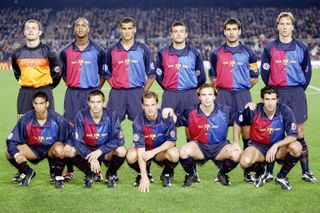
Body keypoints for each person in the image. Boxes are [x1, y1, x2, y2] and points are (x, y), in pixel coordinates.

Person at [260, 12, 315, 182]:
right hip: (277, 94)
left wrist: (298, 89)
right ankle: (268, 172)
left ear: (292, 26)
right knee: (274, 133)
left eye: (287, 24)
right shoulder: (269, 48)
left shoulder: (302, 47)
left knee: (299, 133)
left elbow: (307, 72)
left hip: (296, 94)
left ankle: (306, 171)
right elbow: (264, 72)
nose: (284, 27)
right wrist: (274, 91)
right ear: (277, 26)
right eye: (281, 24)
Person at [209, 18, 259, 183]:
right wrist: (220, 88)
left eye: (234, 29)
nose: (231, 32)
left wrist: (242, 88)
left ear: (239, 31)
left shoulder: (249, 52)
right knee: (221, 131)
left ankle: (247, 169)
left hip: (242, 95)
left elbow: (254, 76)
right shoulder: (216, 52)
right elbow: (212, 76)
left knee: (246, 132)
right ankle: (222, 169)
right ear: (224, 31)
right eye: (228, 29)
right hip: (223, 94)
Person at [155, 21, 206, 181]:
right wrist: (168, 86)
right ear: (171, 34)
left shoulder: (194, 52)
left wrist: (189, 88)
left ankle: (192, 170)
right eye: (175, 31)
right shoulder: (163, 52)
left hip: (190, 95)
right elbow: (158, 74)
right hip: (170, 95)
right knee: (170, 132)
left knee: (191, 131)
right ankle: (170, 169)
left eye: (181, 31)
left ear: (186, 34)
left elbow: (201, 76)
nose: (178, 34)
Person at [60, 17, 107, 181]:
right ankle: (70, 169)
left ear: (89, 29)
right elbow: (64, 74)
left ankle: (96, 168)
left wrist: (94, 91)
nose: (80, 28)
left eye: (83, 25)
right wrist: (74, 85)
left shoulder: (99, 50)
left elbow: (103, 74)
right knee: (70, 128)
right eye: (77, 26)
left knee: (92, 131)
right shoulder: (65, 51)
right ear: (74, 29)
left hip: (90, 95)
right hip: (72, 94)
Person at [165, 83, 240, 187]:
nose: (207, 98)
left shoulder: (225, 110)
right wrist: (171, 111)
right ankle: (191, 174)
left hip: (220, 146)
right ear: (199, 97)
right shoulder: (191, 111)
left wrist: (236, 143)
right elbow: (177, 120)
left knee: (236, 154)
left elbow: (238, 121)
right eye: (204, 95)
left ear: (214, 96)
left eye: (210, 94)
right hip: (199, 146)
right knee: (183, 152)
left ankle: (222, 174)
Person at [238, 86, 302, 190]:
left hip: (278, 148)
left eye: (273, 99)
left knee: (297, 147)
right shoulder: (254, 110)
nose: (270, 103)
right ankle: (262, 172)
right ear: (262, 100)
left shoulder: (285, 110)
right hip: (258, 147)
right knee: (244, 162)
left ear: (277, 99)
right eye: (267, 99)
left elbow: (293, 135)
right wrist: (236, 142)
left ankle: (281, 176)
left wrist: (276, 145)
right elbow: (238, 121)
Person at [6, 92, 72, 189]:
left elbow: (71, 135)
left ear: (47, 104)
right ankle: (28, 172)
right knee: (9, 152)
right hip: (33, 150)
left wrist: (68, 146)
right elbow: (11, 140)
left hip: (51, 150)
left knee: (61, 149)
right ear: (33, 104)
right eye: (36, 103)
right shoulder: (26, 119)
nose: (38, 107)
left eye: (41, 103)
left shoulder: (58, 119)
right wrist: (17, 154)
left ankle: (57, 175)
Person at [104, 17, 156, 122]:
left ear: (134, 29)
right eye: (124, 28)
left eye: (129, 28)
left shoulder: (143, 48)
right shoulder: (112, 49)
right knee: (111, 124)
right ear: (120, 30)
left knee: (142, 124)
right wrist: (115, 85)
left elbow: (152, 74)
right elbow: (106, 72)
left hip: (137, 92)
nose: (127, 31)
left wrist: (143, 91)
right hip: (117, 93)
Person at [126, 91, 179, 192]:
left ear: (157, 105)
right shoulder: (138, 121)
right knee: (130, 156)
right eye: (147, 105)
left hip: (160, 151)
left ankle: (166, 174)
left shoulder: (166, 117)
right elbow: (140, 149)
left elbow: (171, 141)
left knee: (174, 153)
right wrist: (144, 177)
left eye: (153, 105)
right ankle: (144, 173)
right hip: (145, 150)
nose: (150, 108)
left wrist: (153, 152)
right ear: (142, 106)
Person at [73, 90, 127, 188]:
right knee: (69, 151)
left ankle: (111, 173)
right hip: (88, 150)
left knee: (122, 150)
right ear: (88, 103)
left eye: (98, 102)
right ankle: (89, 173)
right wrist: (91, 157)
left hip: (105, 151)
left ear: (103, 102)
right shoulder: (81, 115)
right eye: (92, 102)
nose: (95, 105)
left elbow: (119, 140)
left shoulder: (112, 115)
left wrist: (100, 151)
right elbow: (77, 142)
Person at [11, 19, 61, 119]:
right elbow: (17, 73)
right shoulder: (17, 53)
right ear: (24, 32)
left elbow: (57, 72)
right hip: (25, 93)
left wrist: (47, 86)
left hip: (44, 91)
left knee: (47, 125)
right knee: (24, 126)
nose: (30, 30)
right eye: (28, 28)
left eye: (34, 28)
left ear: (39, 32)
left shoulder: (48, 52)